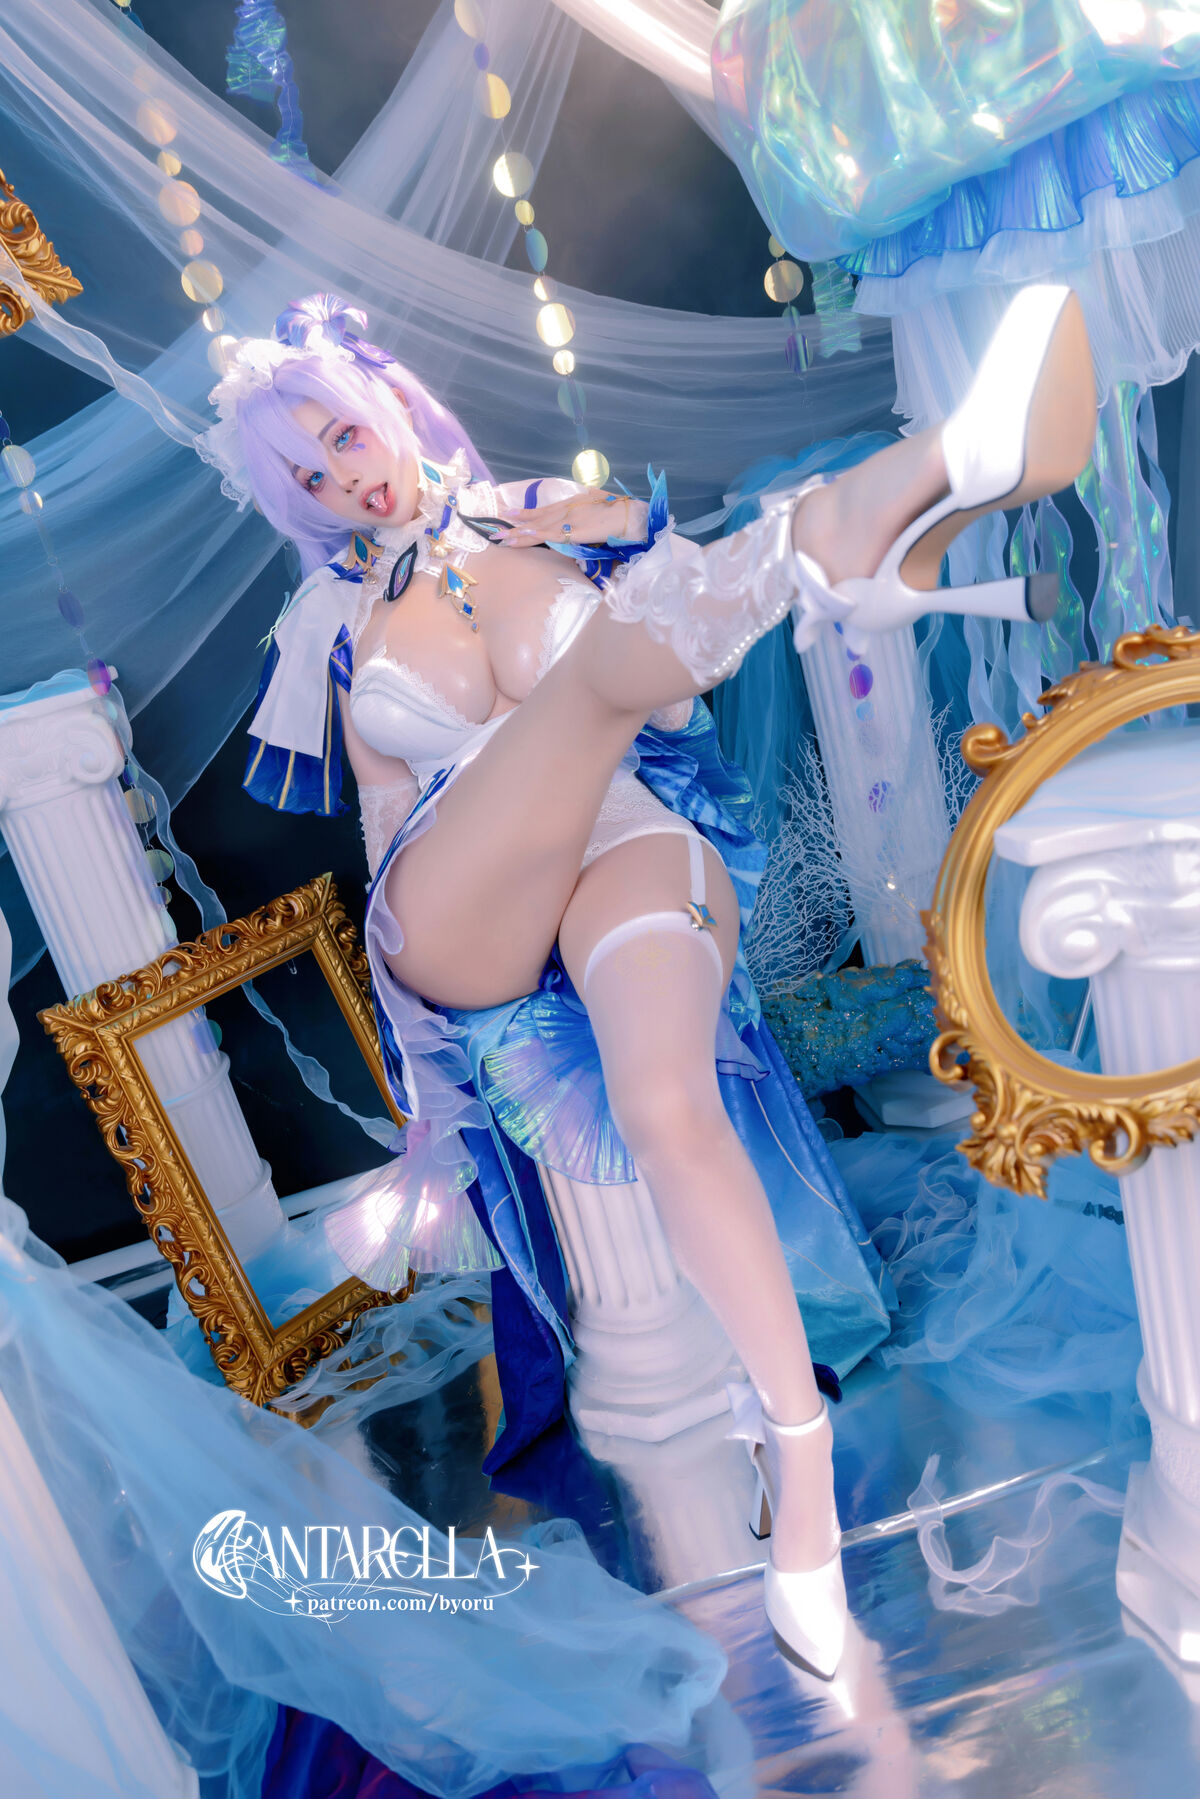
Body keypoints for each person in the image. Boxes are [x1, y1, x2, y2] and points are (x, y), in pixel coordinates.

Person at [200, 282, 1096, 1675]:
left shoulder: (544, 512)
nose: (343, 480)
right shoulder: (336, 620)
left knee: (669, 1104)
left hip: (624, 836)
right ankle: (878, 514)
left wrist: (614, 539)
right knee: (579, 694)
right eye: (307, 477)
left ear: (387, 407)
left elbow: (669, 692)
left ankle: (797, 1463)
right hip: (457, 902)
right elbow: (383, 827)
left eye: (344, 437)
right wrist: (424, 1075)